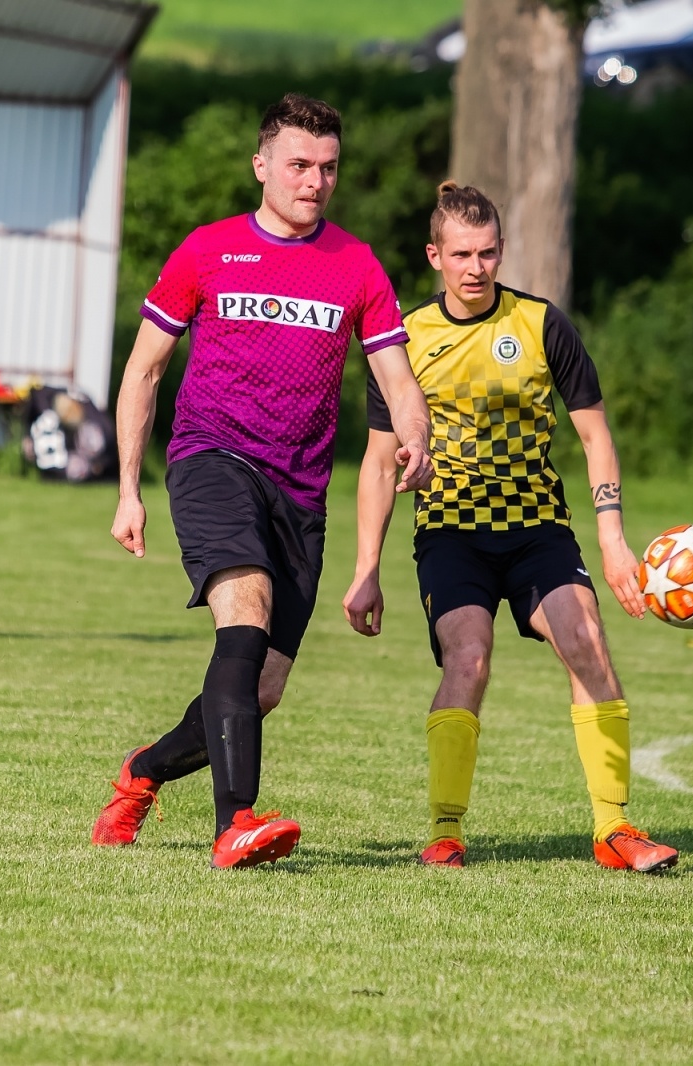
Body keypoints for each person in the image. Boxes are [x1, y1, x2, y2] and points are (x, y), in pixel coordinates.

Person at [88, 94, 435, 870]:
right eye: (299, 165)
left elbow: (398, 379)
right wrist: (126, 489)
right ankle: (234, 823)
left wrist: (417, 435)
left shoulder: (357, 265)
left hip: (300, 494)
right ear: (262, 166)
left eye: (328, 168)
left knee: (259, 689)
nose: (315, 181)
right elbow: (144, 372)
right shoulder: (207, 251)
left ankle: (141, 773)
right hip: (210, 459)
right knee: (242, 613)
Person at [344, 182, 678, 873]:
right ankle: (444, 831)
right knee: (468, 657)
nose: (476, 267)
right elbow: (378, 464)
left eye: (488, 252)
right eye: (461, 253)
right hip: (450, 534)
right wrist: (366, 569)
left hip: (538, 531)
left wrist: (613, 540)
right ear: (435, 255)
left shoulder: (541, 324)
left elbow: (595, 438)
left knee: (587, 643)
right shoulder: (403, 338)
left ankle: (615, 829)